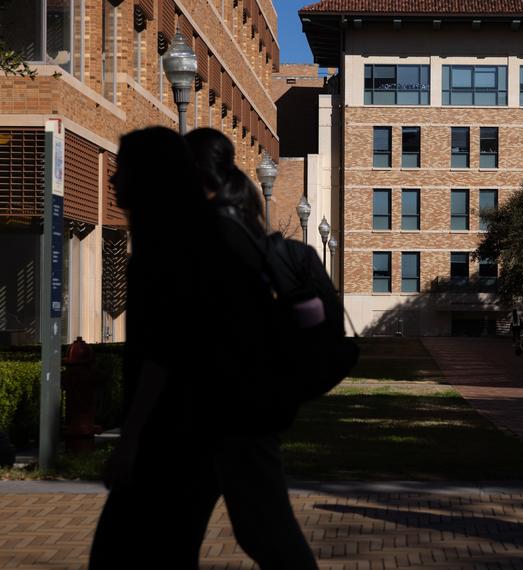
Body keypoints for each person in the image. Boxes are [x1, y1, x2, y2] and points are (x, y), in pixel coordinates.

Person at [184, 127, 319, 569]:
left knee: (266, 533)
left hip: (231, 408)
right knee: (258, 531)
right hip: (236, 406)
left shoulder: (216, 234)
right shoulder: (242, 224)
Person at [90, 127, 218, 568]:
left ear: (148, 176)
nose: (111, 178)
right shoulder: (190, 240)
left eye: (121, 167)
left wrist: (130, 443)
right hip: (194, 437)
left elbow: (163, 354)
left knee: (117, 555)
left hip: (171, 440)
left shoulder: (164, 252)